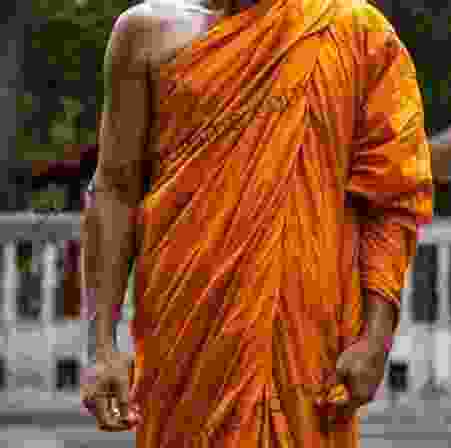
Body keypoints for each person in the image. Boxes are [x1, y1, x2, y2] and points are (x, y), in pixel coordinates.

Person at [79, 0, 432, 447]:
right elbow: (114, 190)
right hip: (188, 334)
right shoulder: (147, 32)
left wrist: (376, 337)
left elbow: (391, 198)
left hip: (303, 342)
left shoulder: (353, 32)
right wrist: (101, 346)